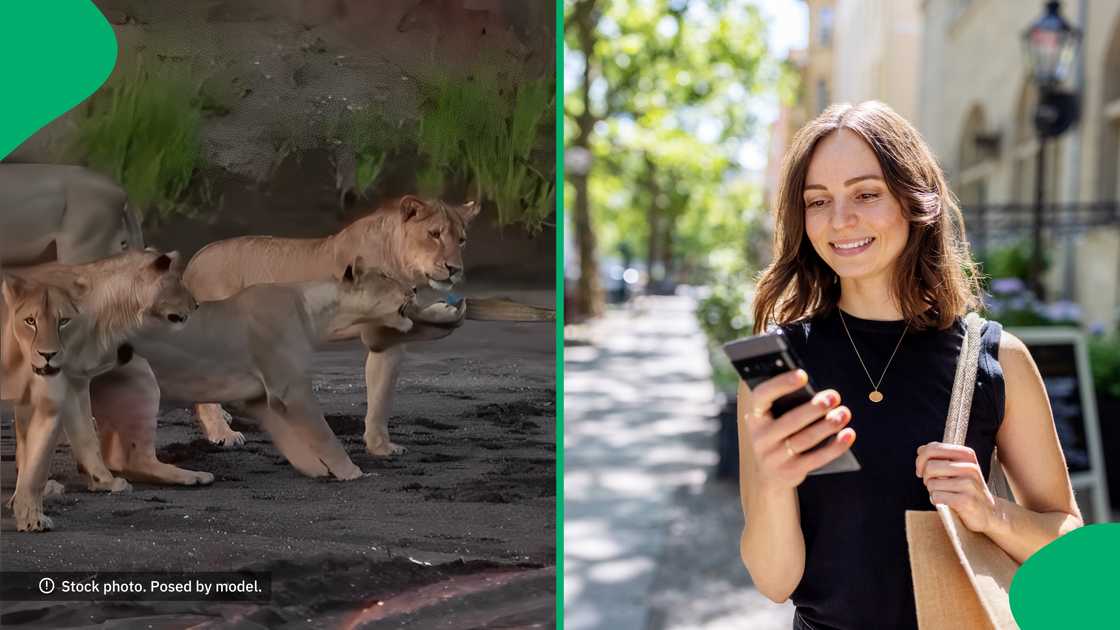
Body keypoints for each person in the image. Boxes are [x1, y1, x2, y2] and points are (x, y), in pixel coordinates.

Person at [736, 101, 1083, 630]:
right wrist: (777, 482)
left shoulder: (994, 358)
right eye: (818, 200)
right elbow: (775, 582)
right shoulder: (779, 366)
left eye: (867, 193)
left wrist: (991, 512)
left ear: (915, 200)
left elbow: (1069, 550)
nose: (840, 219)